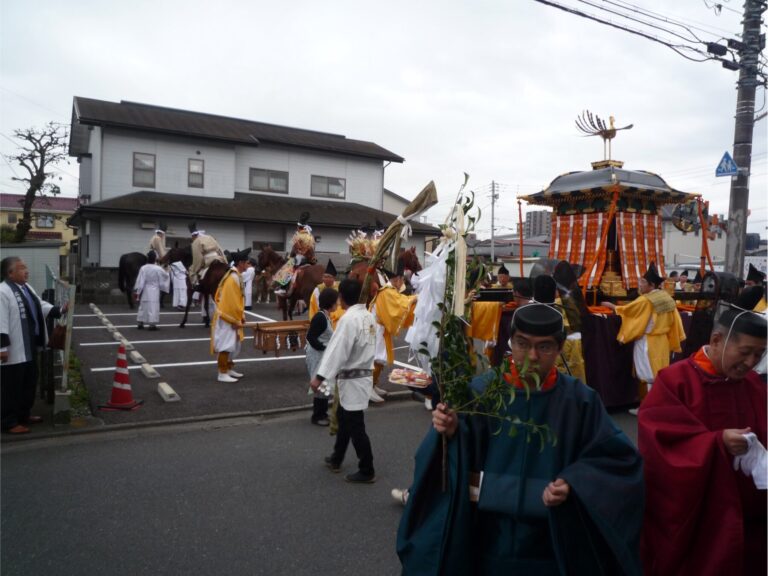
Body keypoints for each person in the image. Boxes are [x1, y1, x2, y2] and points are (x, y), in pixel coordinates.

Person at [397, 302, 644, 574]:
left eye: (545, 346)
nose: (532, 356)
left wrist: (575, 481)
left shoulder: (580, 401)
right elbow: (450, 461)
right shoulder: (481, 392)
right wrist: (452, 431)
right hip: (487, 541)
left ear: (560, 348)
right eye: (522, 344)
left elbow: (618, 460)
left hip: (551, 544)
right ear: (510, 342)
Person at [638, 287, 767, 576]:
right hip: (697, 514)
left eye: (759, 355)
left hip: (751, 518)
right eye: (745, 352)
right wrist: (716, 442)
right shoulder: (675, 381)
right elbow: (658, 446)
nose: (750, 363)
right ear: (717, 340)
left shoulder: (754, 385)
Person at [310, 278, 377, 484]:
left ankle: (367, 469)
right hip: (362, 375)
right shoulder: (367, 315)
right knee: (343, 416)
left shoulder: (349, 319)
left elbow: (337, 351)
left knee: (355, 425)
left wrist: (320, 376)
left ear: (341, 298)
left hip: (352, 377)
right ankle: (337, 458)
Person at [601, 262, 685, 404]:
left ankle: (646, 407)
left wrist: (613, 307)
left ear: (651, 285)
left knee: (645, 375)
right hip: (662, 341)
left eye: (643, 282)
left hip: (648, 342)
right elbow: (676, 322)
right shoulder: (667, 298)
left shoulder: (646, 300)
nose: (640, 285)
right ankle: (657, 405)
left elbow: (629, 312)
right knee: (659, 374)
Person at [0, 257, 65, 434]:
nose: (26, 271)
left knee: (29, 384)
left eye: (26, 267)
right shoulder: (2, 291)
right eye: (21, 268)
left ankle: (24, 415)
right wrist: (2, 349)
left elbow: (39, 304)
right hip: (13, 350)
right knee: (11, 388)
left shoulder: (26, 287)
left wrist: (58, 310)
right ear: (10, 273)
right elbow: (1, 321)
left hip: (28, 346)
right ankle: (8, 422)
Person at [370, 262, 417, 402]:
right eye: (402, 279)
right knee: (376, 358)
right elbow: (400, 304)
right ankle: (367, 388)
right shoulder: (387, 291)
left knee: (380, 358)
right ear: (397, 279)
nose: (402, 282)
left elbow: (400, 301)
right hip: (376, 329)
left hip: (379, 328)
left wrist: (412, 299)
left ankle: (373, 384)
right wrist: (415, 298)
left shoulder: (389, 291)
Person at [211, 248, 250, 383]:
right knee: (226, 345)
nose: (248, 265)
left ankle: (228, 368)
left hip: (231, 315)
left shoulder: (235, 275)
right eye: (246, 263)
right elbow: (230, 301)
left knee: (233, 344)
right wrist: (234, 319)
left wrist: (240, 315)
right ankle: (222, 373)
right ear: (240, 263)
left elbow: (237, 300)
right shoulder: (233, 277)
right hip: (227, 317)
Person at [305, 287, 339, 427]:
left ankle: (323, 413)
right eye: (336, 302)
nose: (337, 304)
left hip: (322, 355)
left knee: (324, 385)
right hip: (317, 356)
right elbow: (310, 336)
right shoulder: (320, 317)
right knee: (321, 386)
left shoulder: (324, 315)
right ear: (330, 303)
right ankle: (317, 416)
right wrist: (324, 348)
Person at [133, 250, 170, 330]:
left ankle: (140, 323)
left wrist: (138, 292)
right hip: (154, 290)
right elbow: (165, 278)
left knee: (143, 306)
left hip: (146, 289)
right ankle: (152, 325)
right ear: (155, 259)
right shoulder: (158, 269)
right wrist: (167, 271)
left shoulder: (143, 268)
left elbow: (140, 281)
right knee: (153, 307)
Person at [308, 259, 344, 328]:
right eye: (325, 277)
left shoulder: (340, 288)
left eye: (329, 277)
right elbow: (313, 306)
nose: (326, 279)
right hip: (323, 319)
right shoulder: (317, 290)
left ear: (334, 278)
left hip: (338, 321)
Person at [188, 222, 225, 287]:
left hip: (208, 260)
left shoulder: (196, 242)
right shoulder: (209, 237)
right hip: (218, 258)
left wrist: (197, 268)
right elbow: (219, 249)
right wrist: (224, 260)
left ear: (193, 236)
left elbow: (198, 258)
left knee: (192, 269)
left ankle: (195, 284)